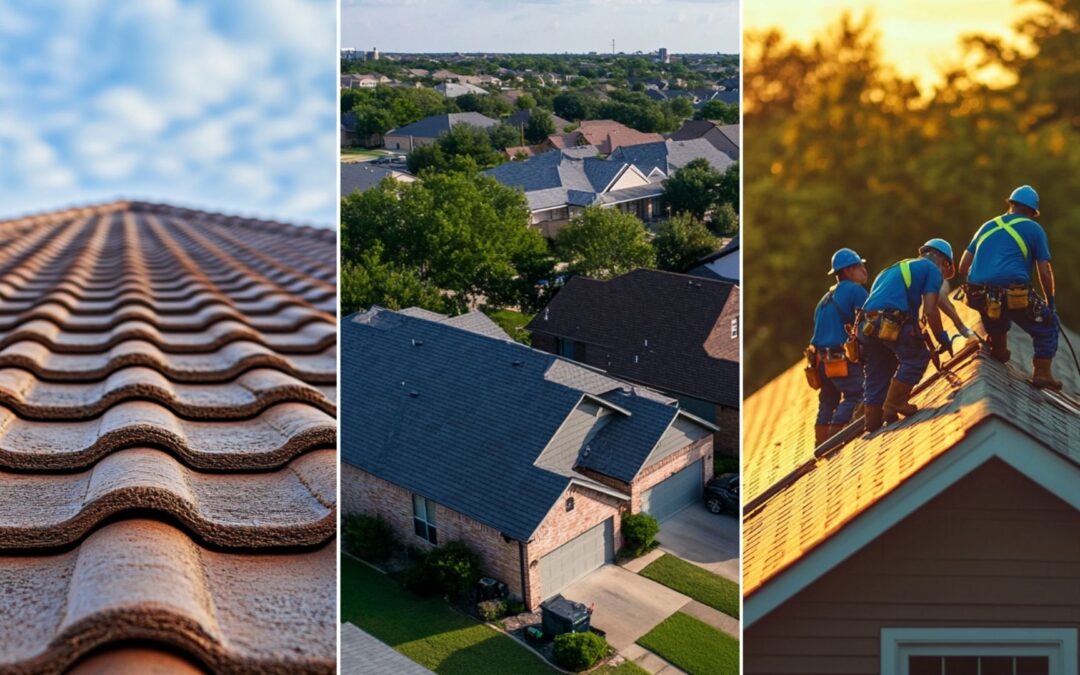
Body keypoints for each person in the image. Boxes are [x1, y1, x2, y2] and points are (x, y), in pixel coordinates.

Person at [857, 239, 975, 432]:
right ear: (943, 262)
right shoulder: (932, 270)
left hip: (866, 326)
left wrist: (960, 327)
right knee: (916, 357)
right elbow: (930, 309)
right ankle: (894, 404)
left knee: (879, 367)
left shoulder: (892, 269)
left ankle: (873, 419)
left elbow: (940, 302)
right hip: (891, 321)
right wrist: (941, 337)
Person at [957, 185, 1061, 390]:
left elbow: (962, 267)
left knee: (996, 309)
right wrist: (1051, 303)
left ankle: (999, 349)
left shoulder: (986, 226)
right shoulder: (1034, 229)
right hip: (1014, 294)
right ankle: (1042, 374)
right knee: (1048, 325)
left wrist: (987, 283)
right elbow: (1044, 271)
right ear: (1032, 212)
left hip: (979, 294)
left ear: (1011, 205)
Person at [809, 248, 869, 445]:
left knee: (828, 398)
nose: (864, 270)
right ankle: (836, 437)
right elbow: (870, 322)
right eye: (860, 266)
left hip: (818, 361)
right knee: (857, 393)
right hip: (838, 358)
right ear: (849, 270)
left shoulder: (823, 300)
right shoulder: (855, 291)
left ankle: (821, 441)